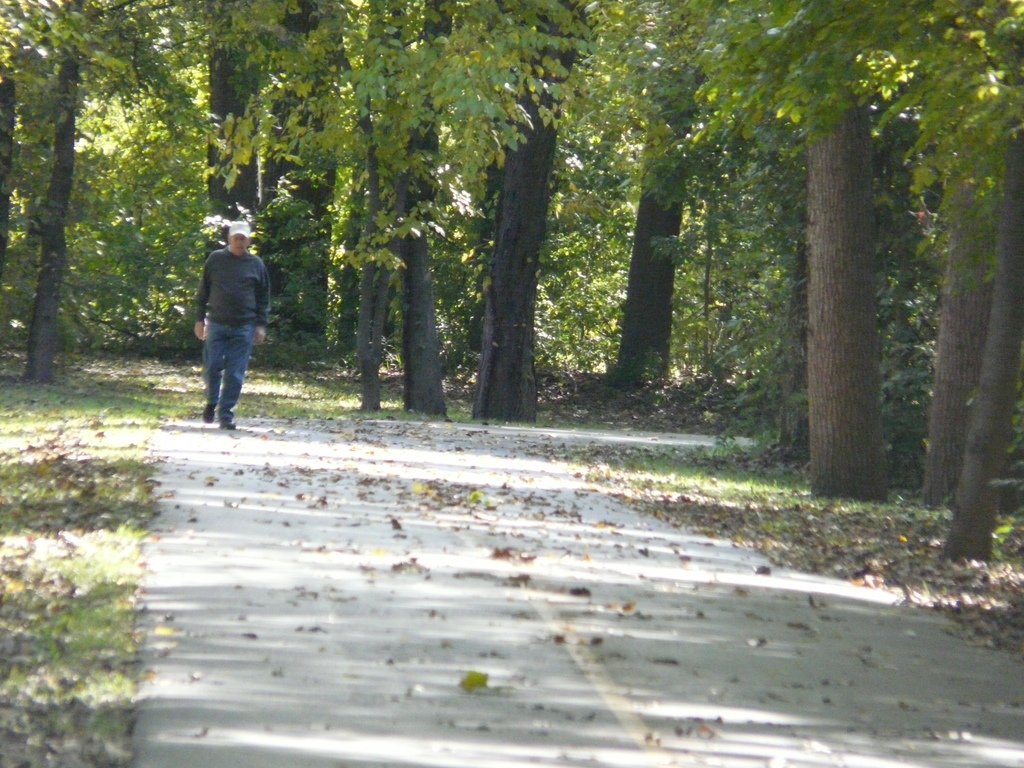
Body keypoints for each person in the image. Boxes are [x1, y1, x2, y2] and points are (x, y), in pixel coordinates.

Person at [194, 220, 270, 430]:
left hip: (244, 325)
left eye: (243, 238)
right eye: (236, 237)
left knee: (235, 372)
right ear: (229, 238)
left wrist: (261, 325)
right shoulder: (215, 259)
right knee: (212, 366)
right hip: (217, 322)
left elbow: (263, 297)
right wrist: (200, 319)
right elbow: (203, 292)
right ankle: (212, 401)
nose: (239, 241)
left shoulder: (256, 264)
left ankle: (226, 414)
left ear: (248, 240)